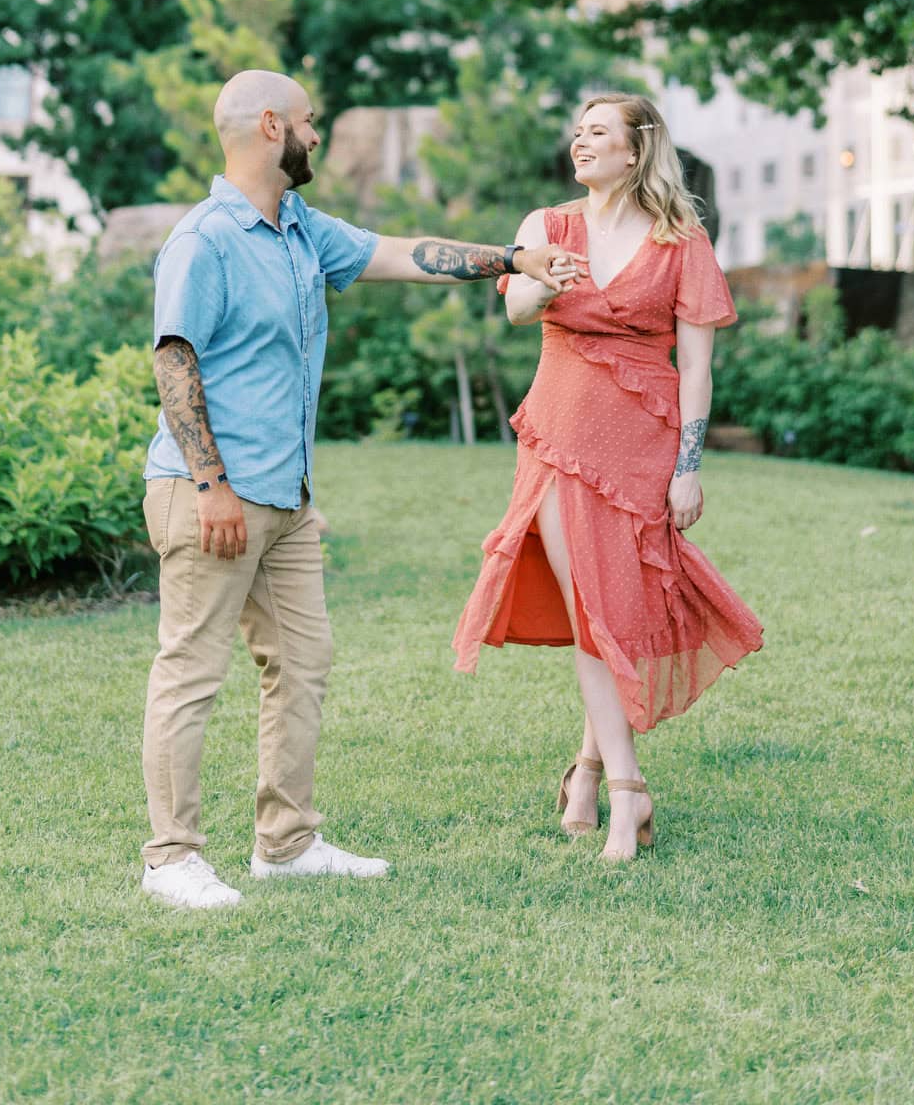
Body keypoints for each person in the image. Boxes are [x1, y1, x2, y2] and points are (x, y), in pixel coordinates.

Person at [140, 67, 584, 910]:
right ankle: (170, 860)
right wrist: (211, 485)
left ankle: (287, 842)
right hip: (212, 494)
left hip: (288, 501)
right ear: (271, 127)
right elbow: (173, 358)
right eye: (310, 121)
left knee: (303, 665)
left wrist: (512, 257)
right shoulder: (205, 239)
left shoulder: (301, 229)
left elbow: (397, 254)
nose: (319, 135)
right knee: (191, 673)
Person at [452, 91, 763, 862]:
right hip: (560, 431)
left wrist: (688, 469)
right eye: (578, 132)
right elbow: (518, 308)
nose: (579, 143)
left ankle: (587, 770)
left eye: (598, 133)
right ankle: (629, 791)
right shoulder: (546, 226)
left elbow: (696, 367)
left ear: (636, 149)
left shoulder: (680, 240)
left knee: (618, 605)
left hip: (645, 441)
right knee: (591, 601)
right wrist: (547, 278)